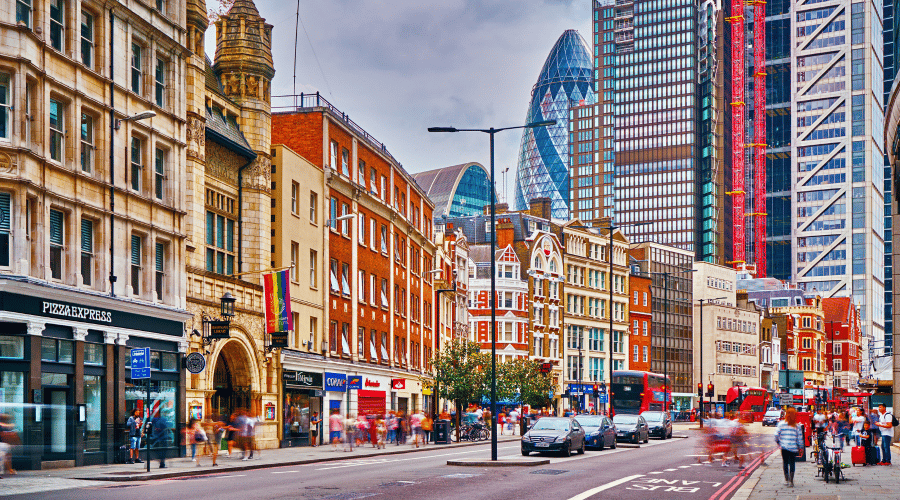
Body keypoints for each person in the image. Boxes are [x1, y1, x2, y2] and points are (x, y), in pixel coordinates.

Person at [775, 407, 802, 487]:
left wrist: (778, 442)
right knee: (792, 463)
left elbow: (776, 435)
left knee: (785, 463)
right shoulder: (797, 426)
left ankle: (786, 480)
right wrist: (801, 448)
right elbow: (799, 438)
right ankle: (791, 481)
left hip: (784, 447)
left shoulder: (781, 424)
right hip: (793, 448)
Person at [0, 413, 19, 477]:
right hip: (3, 445)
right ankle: (9, 470)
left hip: (3, 444)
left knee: (5, 455)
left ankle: (9, 470)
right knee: (6, 454)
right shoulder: (6, 425)